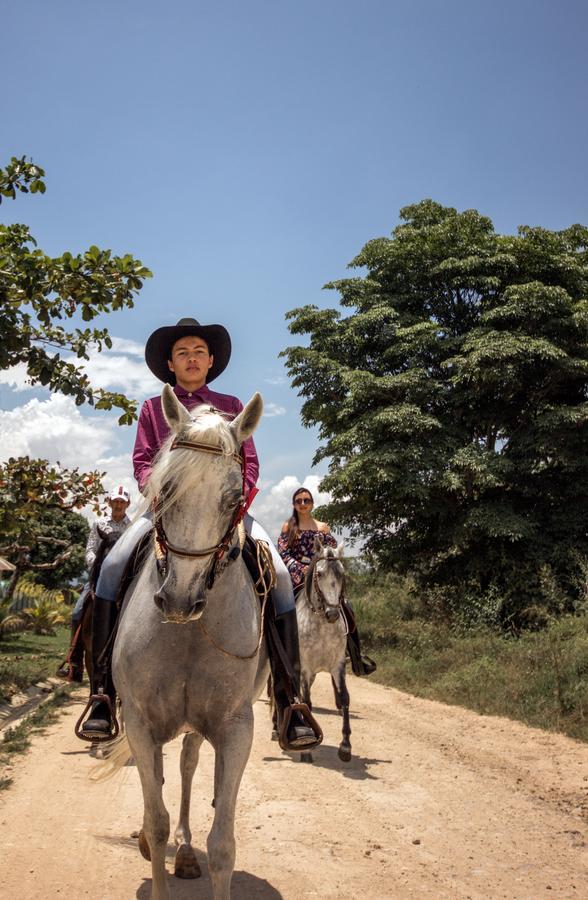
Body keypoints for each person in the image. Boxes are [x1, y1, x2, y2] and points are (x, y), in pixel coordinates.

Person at [81, 317, 321, 752]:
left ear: (210, 361)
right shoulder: (154, 410)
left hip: (227, 512)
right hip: (166, 512)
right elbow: (141, 461)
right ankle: (102, 693)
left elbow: (249, 463)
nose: (191, 359)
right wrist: (157, 494)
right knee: (111, 567)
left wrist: (237, 502)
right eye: (182, 354)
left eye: (198, 352)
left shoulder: (230, 404)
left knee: (282, 576)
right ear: (169, 365)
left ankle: (290, 702)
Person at [278, 487, 377, 676]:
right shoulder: (288, 527)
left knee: (347, 608)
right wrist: (301, 569)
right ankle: (279, 651)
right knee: (282, 609)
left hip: (321, 577)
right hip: (298, 577)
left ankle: (356, 656)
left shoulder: (323, 527)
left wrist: (325, 571)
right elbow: (284, 554)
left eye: (306, 500)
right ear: (294, 505)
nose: (303, 504)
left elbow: (332, 556)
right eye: (299, 501)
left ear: (312, 503)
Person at [62, 486, 131, 683]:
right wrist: (99, 563)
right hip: (99, 575)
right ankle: (75, 662)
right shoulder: (99, 523)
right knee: (77, 611)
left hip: (122, 577)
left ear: (128, 504)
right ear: (109, 503)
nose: (118, 505)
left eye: (122, 501)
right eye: (115, 501)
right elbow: (90, 549)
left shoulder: (131, 526)